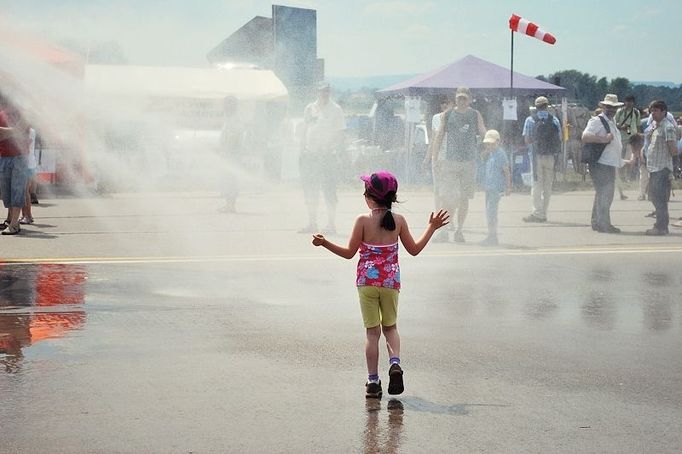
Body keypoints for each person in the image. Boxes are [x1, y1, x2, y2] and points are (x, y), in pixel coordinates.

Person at [311, 170, 449, 398]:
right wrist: (431, 228)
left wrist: (325, 243)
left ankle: (373, 382)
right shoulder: (399, 221)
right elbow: (414, 250)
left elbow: (348, 253)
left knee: (372, 334)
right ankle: (394, 362)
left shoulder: (363, 221)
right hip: (390, 283)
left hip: (366, 283)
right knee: (391, 328)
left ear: (369, 197)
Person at [429, 87, 486, 243]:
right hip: (450, 162)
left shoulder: (475, 115)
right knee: (448, 198)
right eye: (459, 98)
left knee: (464, 198)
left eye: (464, 98)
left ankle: (459, 230)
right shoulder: (447, 115)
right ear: (455, 98)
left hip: (469, 162)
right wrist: (434, 159)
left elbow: (482, 132)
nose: (462, 101)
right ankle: (443, 231)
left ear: (470, 99)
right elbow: (439, 136)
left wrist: (490, 146)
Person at [299, 81, 346, 234]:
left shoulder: (336, 110)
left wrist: (331, 148)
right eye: (321, 91)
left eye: (326, 91)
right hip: (311, 155)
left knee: (329, 190)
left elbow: (340, 133)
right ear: (317, 92)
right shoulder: (310, 108)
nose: (323, 94)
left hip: (327, 156)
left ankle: (331, 224)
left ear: (329, 92)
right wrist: (302, 149)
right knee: (310, 190)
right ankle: (312, 223)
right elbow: (305, 130)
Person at [581, 94, 624, 233]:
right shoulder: (597, 121)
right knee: (606, 193)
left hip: (608, 163)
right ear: (603, 107)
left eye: (614, 108)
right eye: (609, 107)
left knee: (602, 193)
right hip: (601, 163)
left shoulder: (610, 121)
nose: (611, 110)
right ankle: (603, 223)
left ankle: (598, 222)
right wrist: (603, 139)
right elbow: (585, 136)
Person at [521, 96, 562, 223]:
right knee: (548, 185)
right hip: (550, 156)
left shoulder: (530, 120)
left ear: (536, 107)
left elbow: (527, 140)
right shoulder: (554, 120)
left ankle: (537, 213)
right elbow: (559, 138)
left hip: (536, 155)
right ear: (547, 106)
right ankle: (544, 212)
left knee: (537, 185)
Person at [644, 100, 678, 235]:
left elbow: (673, 149)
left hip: (661, 168)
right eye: (652, 111)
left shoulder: (667, 127)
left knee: (659, 198)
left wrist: (671, 166)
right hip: (653, 167)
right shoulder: (655, 126)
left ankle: (661, 226)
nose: (653, 113)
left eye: (656, 111)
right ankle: (660, 224)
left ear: (664, 112)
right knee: (653, 196)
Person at [423, 97, 452, 242]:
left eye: (448, 103)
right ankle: (442, 223)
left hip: (451, 161)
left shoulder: (455, 118)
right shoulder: (435, 118)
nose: (445, 105)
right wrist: (428, 158)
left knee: (450, 194)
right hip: (438, 160)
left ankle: (448, 219)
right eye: (443, 103)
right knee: (438, 193)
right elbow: (434, 139)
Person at [0, 98, 29, 235]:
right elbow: (16, 132)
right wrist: (13, 131)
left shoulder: (25, 113)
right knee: (7, 192)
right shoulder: (2, 114)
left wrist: (8, 132)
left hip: (19, 157)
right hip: (4, 156)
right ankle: (10, 220)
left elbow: (21, 129)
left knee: (17, 190)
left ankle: (14, 224)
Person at [479, 130, 511, 245]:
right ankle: (491, 235)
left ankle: (492, 236)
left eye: (492, 144)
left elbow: (506, 171)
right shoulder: (490, 154)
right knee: (489, 212)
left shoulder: (500, 154)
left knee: (491, 212)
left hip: (495, 189)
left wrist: (508, 187)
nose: (489, 146)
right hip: (489, 187)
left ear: (498, 142)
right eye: (487, 144)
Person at [218, 96, 244, 213]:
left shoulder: (235, 120)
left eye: (226, 104)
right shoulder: (228, 119)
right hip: (227, 155)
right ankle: (228, 204)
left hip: (232, 156)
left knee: (231, 180)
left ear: (232, 106)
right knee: (227, 179)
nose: (224, 107)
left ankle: (231, 205)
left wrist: (227, 152)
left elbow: (233, 138)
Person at [613, 95, 641, 200]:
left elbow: (637, 125)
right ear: (624, 102)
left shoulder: (636, 112)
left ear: (633, 102)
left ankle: (628, 175)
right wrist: (622, 127)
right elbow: (615, 123)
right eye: (627, 101)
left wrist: (638, 135)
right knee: (621, 158)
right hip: (620, 138)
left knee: (630, 158)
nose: (629, 103)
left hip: (632, 138)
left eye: (631, 101)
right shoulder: (620, 111)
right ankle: (622, 175)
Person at [20, 126, 37, 225]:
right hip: (26, 162)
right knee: (23, 190)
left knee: (25, 190)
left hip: (27, 163)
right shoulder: (26, 129)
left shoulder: (30, 131)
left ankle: (28, 216)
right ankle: (25, 215)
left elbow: (26, 144)